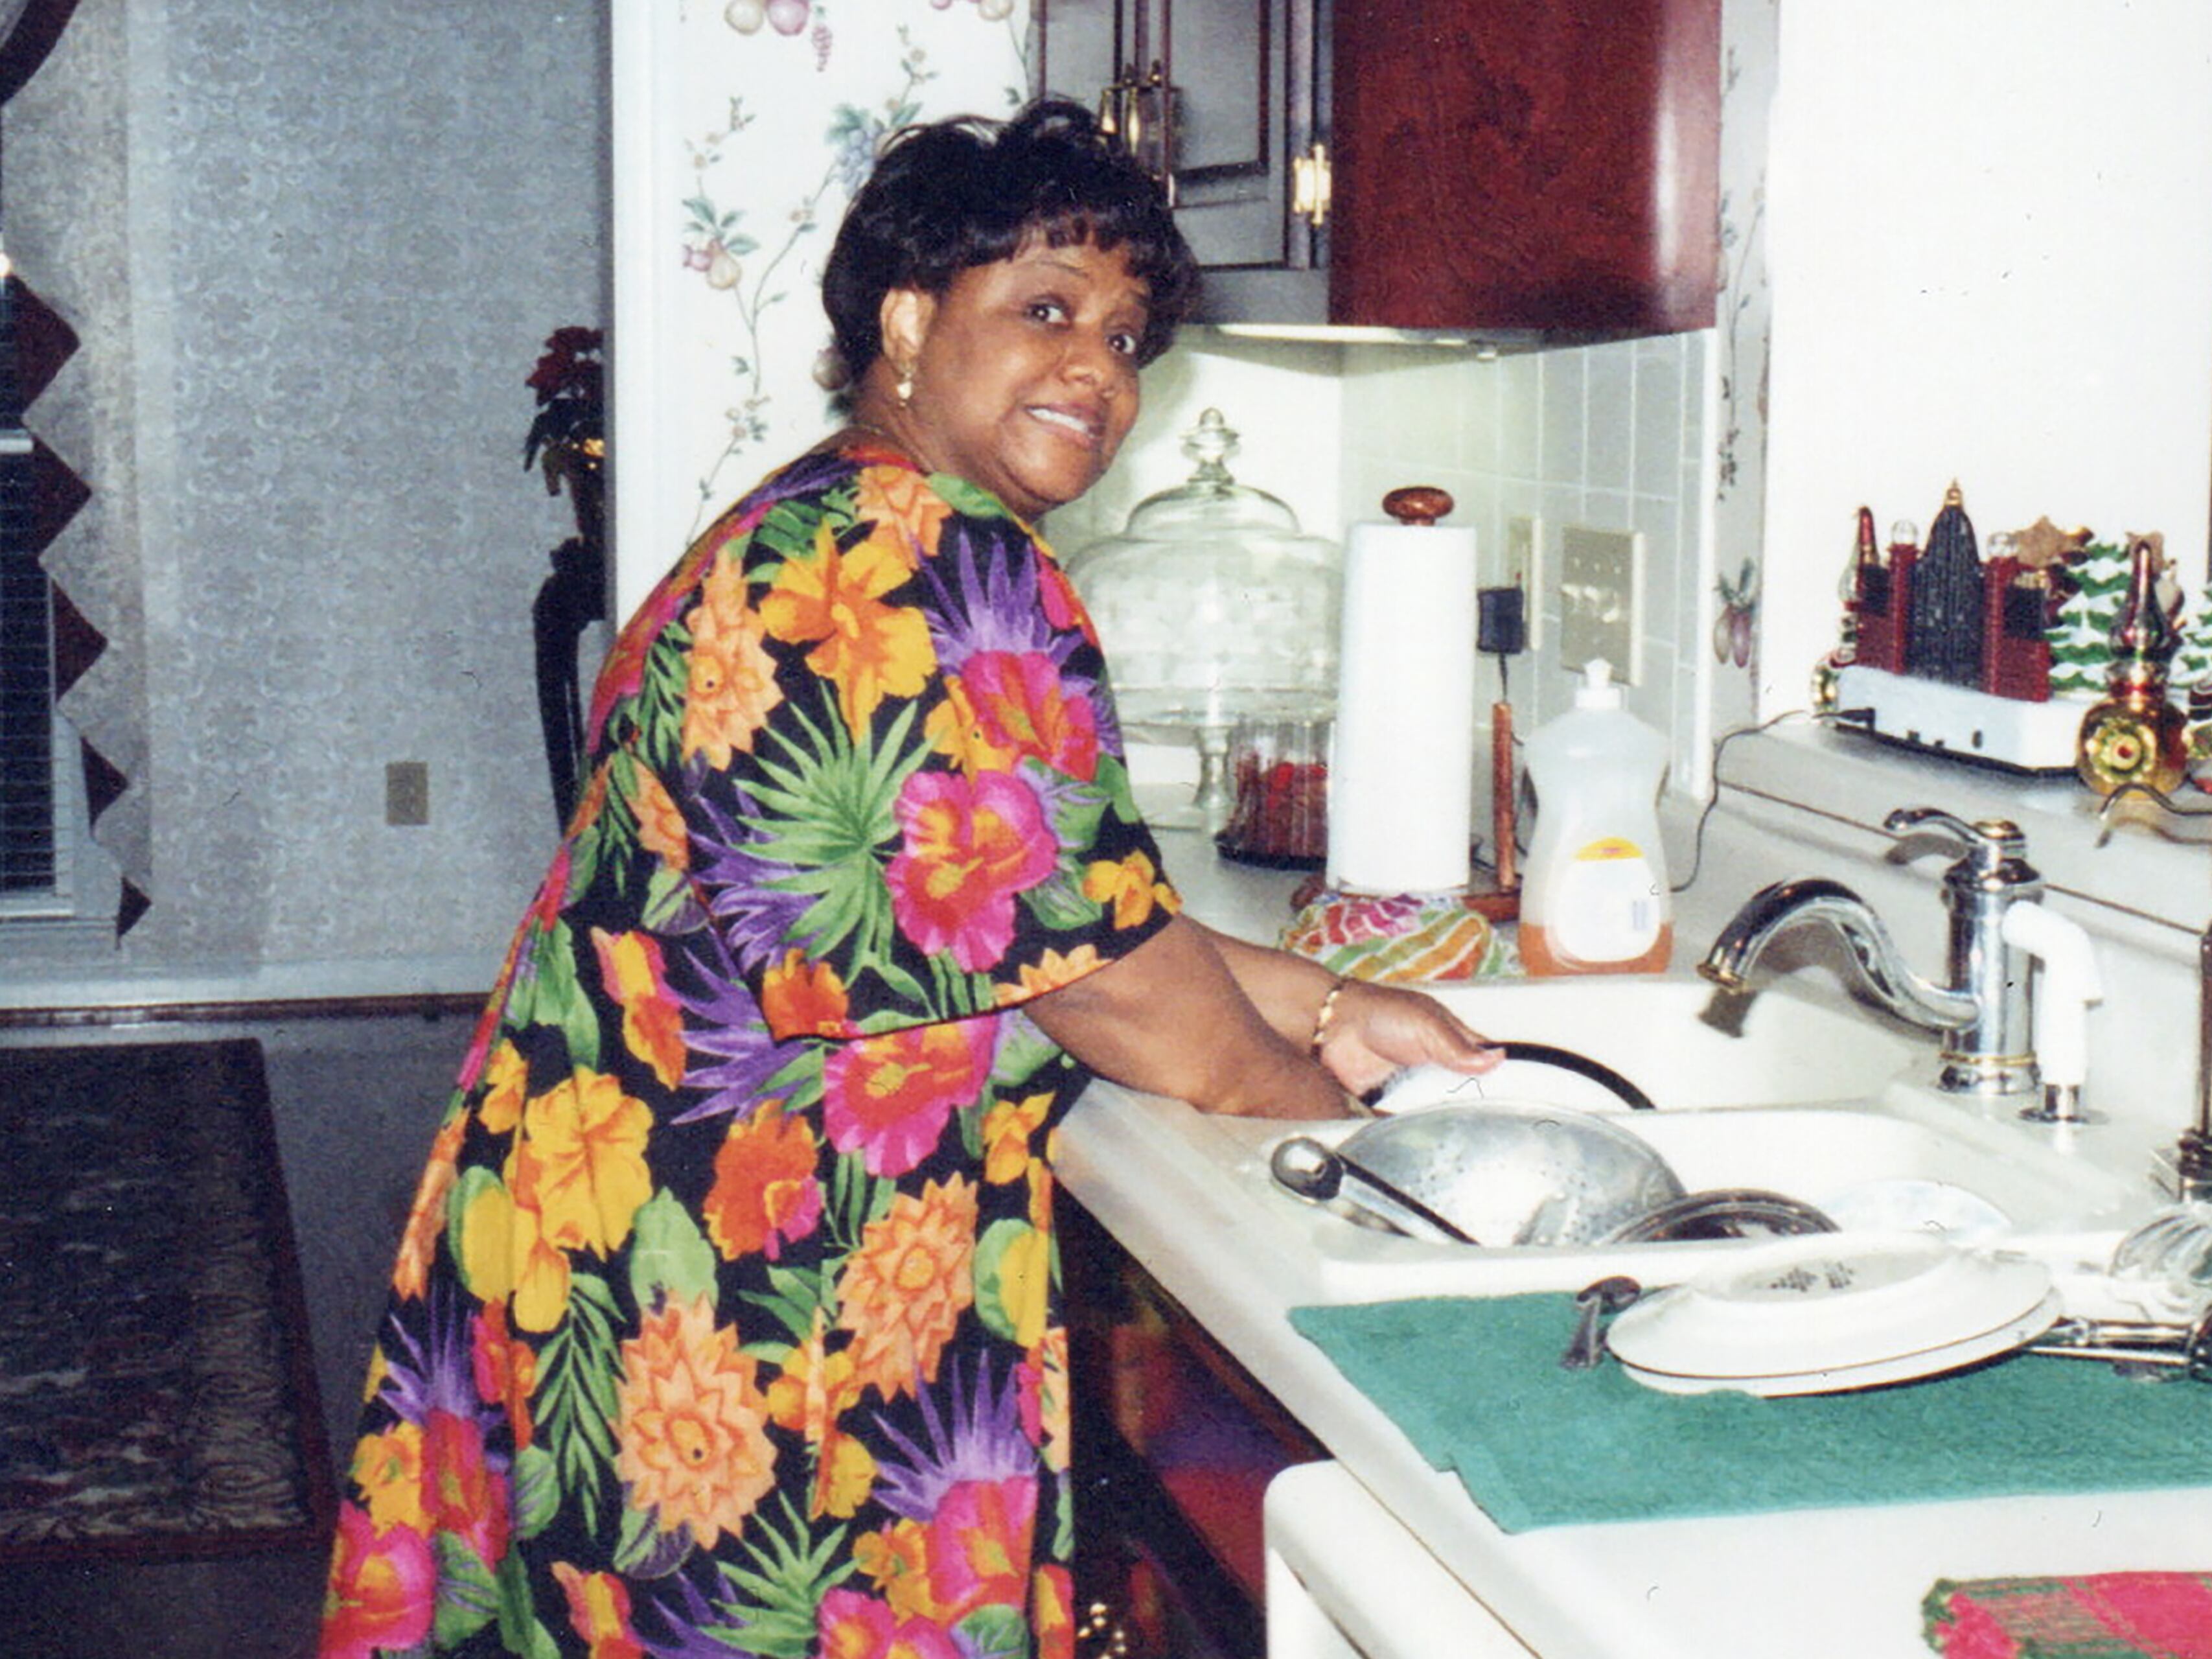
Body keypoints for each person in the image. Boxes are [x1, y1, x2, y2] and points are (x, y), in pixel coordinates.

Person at [317, 99, 1495, 1659]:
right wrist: (1374, 1159)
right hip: (755, 1307)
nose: (1100, 368)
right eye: (1048, 310)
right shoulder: (934, 558)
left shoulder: (820, 516)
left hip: (603, 1239)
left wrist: (1337, 996)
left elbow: (1048, 903)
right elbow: (1134, 1006)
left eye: (1130, 337)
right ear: (907, 319)